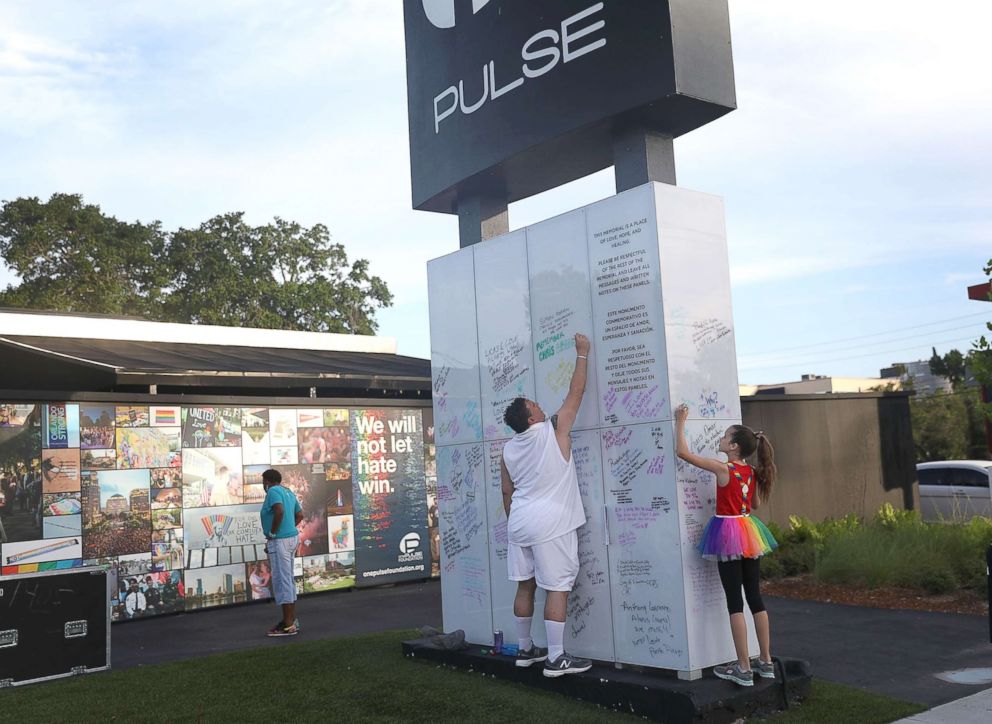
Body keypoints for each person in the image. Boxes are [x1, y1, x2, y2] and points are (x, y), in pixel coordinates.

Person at [500, 333, 591, 678]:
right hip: (551, 524)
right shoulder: (553, 430)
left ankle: (525, 650)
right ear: (532, 417)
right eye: (535, 404)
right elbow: (576, 394)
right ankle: (556, 658)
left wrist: (516, 523)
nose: (540, 404)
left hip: (520, 522)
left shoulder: (507, 449)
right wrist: (582, 354)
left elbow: (507, 492)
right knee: (557, 586)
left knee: (525, 584)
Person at [674, 403, 779, 687]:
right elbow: (754, 504)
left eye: (724, 436)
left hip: (728, 533)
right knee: (755, 598)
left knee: (735, 602)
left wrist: (680, 421)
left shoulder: (724, 469)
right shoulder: (751, 472)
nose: (720, 439)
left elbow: (683, 453)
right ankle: (765, 661)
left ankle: (743, 667)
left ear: (733, 447)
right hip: (748, 531)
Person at [260, 468, 303, 636]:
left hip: (280, 541)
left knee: (282, 580)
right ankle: (290, 620)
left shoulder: (272, 491)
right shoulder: (288, 491)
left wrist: (273, 534)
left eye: (263, 482)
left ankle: (288, 624)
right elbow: (300, 515)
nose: (263, 485)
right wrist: (288, 528)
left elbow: (279, 510)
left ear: (267, 481)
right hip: (291, 539)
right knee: (288, 579)